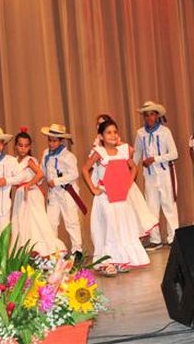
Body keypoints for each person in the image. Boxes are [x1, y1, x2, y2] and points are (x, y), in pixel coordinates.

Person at [82, 118, 149, 276]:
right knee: (109, 227)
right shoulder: (100, 152)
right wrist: (93, 189)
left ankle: (120, 259)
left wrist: (127, 183)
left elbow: (133, 168)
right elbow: (85, 169)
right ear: (101, 136)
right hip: (105, 196)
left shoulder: (123, 151)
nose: (112, 135)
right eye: (108, 132)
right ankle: (107, 261)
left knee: (121, 227)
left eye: (114, 132)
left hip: (121, 197)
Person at [11, 128, 66, 256]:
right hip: (21, 193)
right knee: (23, 223)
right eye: (20, 145)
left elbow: (40, 174)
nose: (23, 148)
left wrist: (28, 185)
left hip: (31, 193)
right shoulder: (14, 161)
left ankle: (45, 250)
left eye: (26, 146)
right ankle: (27, 253)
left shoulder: (29, 160)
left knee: (36, 222)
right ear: (15, 146)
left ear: (29, 147)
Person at [133, 101, 179, 250]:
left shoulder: (165, 132)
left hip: (165, 173)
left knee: (169, 205)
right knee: (151, 207)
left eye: (152, 114)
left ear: (157, 115)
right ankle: (155, 239)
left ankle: (173, 237)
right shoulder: (140, 133)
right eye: (146, 115)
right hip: (150, 176)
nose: (149, 118)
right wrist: (130, 171)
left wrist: (155, 159)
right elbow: (137, 154)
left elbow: (174, 154)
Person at [40, 123, 83, 254]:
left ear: (61, 141)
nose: (51, 144)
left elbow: (74, 174)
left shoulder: (68, 156)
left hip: (67, 192)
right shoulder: (46, 153)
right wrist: (39, 182)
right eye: (49, 140)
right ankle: (55, 250)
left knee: (71, 221)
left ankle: (77, 250)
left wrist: (57, 181)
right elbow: (43, 170)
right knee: (51, 221)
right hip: (53, 194)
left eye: (54, 141)